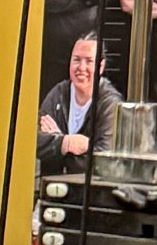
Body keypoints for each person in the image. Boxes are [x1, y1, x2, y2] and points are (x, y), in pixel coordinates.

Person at [37, 29, 120, 170]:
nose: (81, 68)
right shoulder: (59, 93)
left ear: (101, 67)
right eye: (76, 60)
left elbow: (104, 160)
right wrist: (67, 143)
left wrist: (56, 144)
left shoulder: (110, 103)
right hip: (53, 187)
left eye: (89, 61)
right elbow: (33, 142)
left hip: (91, 190)